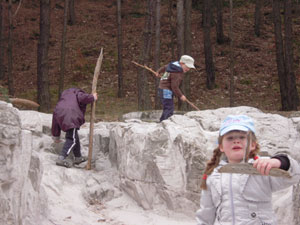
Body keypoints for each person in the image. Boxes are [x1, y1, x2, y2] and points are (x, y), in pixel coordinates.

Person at [196, 115, 300, 225]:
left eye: (242, 137)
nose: (236, 141)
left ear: (253, 144)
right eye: (230, 138)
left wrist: (280, 162)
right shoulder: (213, 175)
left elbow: (294, 176)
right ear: (221, 146)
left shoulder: (261, 166)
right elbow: (205, 214)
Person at [51, 87, 98, 168]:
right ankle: (61, 158)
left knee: (74, 136)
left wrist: (56, 136)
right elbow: (82, 98)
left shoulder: (62, 101)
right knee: (72, 139)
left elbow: (55, 121)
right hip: (71, 115)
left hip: (61, 114)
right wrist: (92, 97)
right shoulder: (76, 92)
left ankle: (78, 157)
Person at [157, 55, 195, 122]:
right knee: (169, 109)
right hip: (166, 90)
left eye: (190, 68)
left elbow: (164, 67)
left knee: (168, 108)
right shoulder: (177, 73)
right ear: (182, 63)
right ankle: (164, 123)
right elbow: (174, 87)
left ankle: (163, 121)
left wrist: (158, 71)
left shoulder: (172, 65)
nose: (188, 69)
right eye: (187, 67)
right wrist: (181, 95)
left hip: (162, 88)